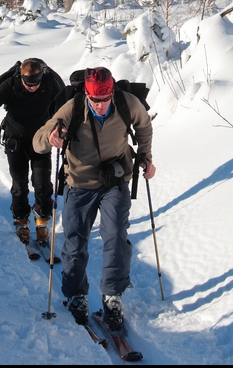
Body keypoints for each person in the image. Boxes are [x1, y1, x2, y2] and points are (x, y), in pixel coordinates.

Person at [33, 66, 155, 331]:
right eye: (95, 100)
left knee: (116, 236)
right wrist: (50, 137)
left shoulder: (127, 103)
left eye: (105, 99)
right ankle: (76, 295)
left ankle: (113, 295)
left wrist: (145, 156)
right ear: (87, 95)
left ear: (112, 92)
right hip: (79, 183)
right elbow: (37, 141)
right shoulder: (73, 108)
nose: (100, 105)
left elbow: (144, 125)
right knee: (75, 241)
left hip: (115, 181)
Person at [0, 58, 65, 247]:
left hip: (41, 140)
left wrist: (63, 125)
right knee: (19, 183)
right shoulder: (12, 84)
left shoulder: (50, 83)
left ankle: (42, 219)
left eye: (35, 83)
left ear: (41, 76)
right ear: (21, 77)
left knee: (42, 182)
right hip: (15, 140)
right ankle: (21, 219)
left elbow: (64, 107)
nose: (32, 87)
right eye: (28, 84)